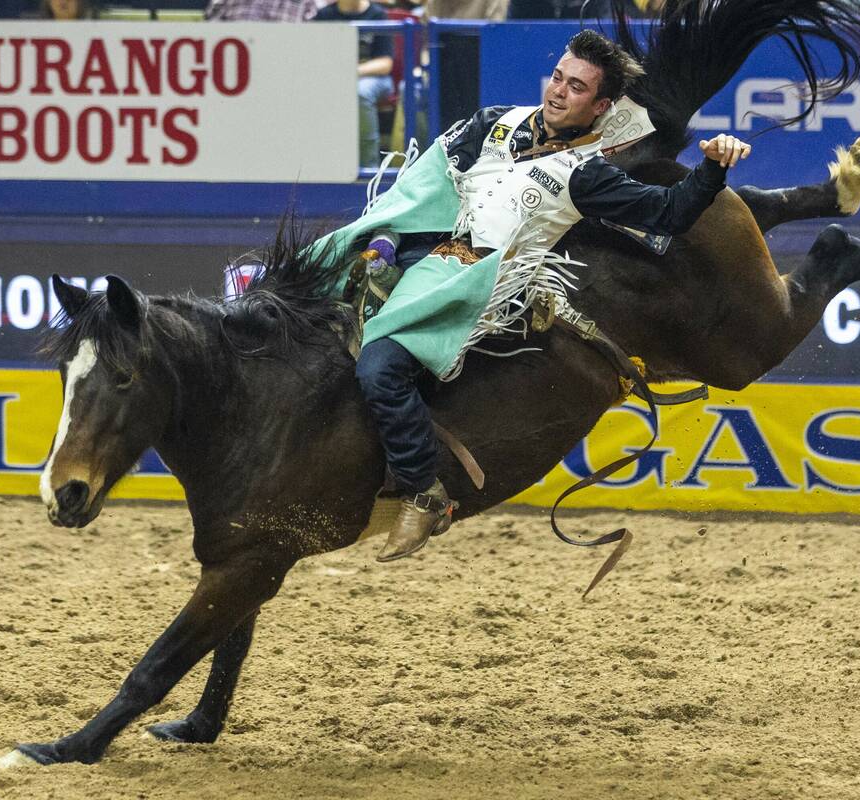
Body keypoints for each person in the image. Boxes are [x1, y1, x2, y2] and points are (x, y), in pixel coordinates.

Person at [312, 29, 750, 562]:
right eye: (559, 77)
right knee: (304, 286)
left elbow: (669, 213)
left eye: (577, 87)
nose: (559, 92)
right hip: (420, 250)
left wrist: (712, 168)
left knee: (379, 367)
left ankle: (422, 490)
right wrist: (385, 233)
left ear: (601, 106)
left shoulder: (584, 175)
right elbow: (425, 185)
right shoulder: (493, 121)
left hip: (473, 285)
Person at [314, 0, 397, 168]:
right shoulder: (324, 16)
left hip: (373, 79)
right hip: (331, 78)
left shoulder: (378, 14)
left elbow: (385, 64)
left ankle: (369, 169)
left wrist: (351, 71)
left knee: (360, 92)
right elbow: (315, 58)